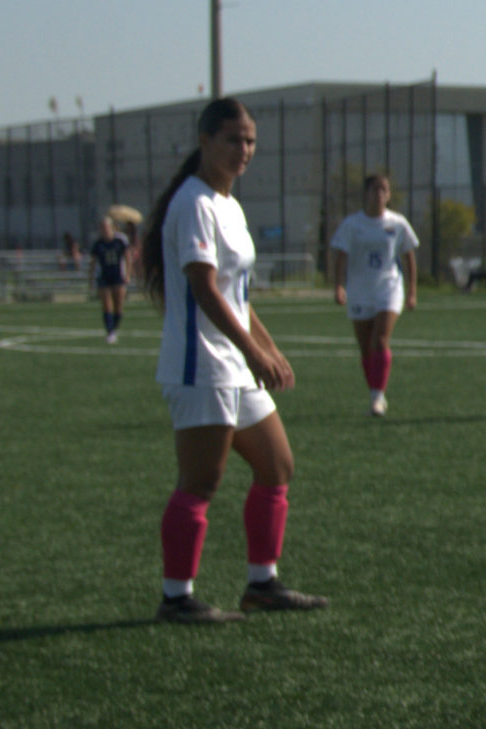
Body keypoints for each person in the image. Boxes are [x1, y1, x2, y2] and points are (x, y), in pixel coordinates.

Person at [140, 98, 326, 623]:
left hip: (234, 363)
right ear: (205, 141)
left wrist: (265, 347)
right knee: (200, 480)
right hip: (202, 364)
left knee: (277, 465)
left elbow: (237, 296)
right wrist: (251, 351)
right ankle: (176, 596)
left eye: (249, 142)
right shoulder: (194, 202)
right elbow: (203, 289)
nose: (243, 150)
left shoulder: (229, 205)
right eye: (232, 140)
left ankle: (262, 584)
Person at [330, 172, 422, 417]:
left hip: (389, 287)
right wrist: (339, 286)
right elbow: (341, 257)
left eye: (384, 190)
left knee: (380, 339)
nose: (379, 194)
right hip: (359, 290)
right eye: (374, 189)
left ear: (389, 195)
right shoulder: (352, 224)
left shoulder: (398, 223)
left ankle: (378, 396)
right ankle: (373, 391)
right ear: (366, 194)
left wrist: (412, 291)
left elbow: (409, 256)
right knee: (365, 346)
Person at [90, 215, 133, 344]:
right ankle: (110, 331)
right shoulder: (98, 243)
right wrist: (91, 278)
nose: (104, 229)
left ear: (112, 227)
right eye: (102, 227)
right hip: (103, 276)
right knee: (107, 305)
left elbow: (127, 257)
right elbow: (93, 262)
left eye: (106, 226)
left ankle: (114, 328)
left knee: (118, 307)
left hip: (118, 276)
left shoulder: (120, 240)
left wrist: (128, 275)